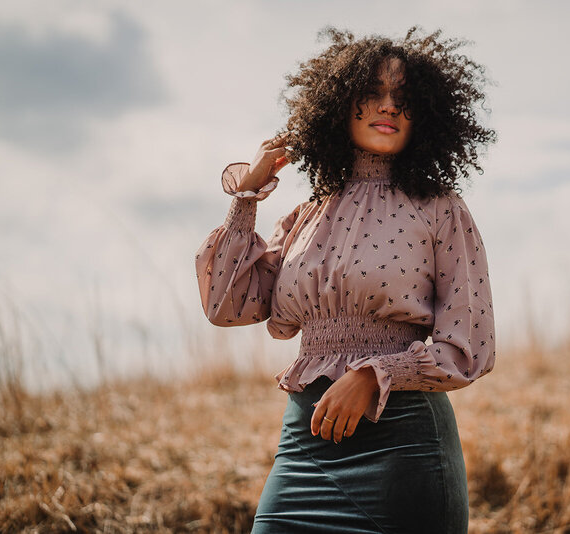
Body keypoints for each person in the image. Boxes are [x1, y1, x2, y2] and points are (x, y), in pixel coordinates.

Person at [195, 26, 497, 534]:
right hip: (305, 450)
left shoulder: (441, 208)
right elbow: (227, 304)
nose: (389, 107)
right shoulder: (306, 214)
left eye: (404, 98)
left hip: (403, 448)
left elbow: (471, 347)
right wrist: (246, 197)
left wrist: (374, 374)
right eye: (372, 93)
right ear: (339, 105)